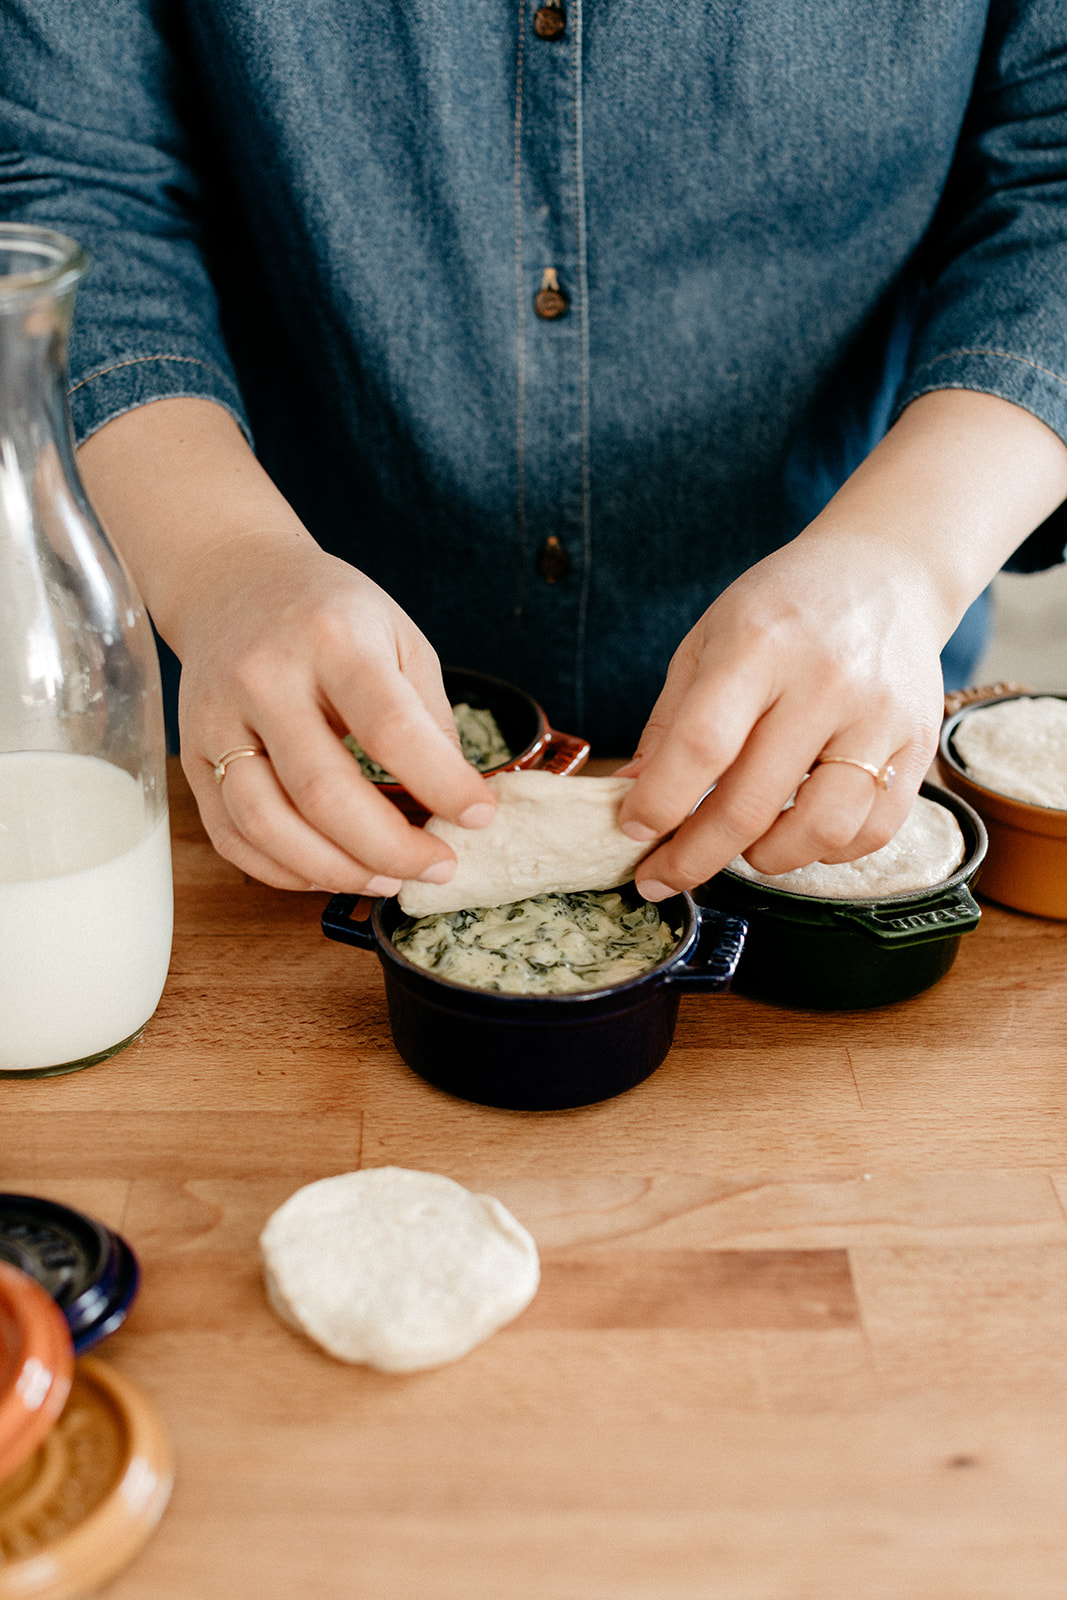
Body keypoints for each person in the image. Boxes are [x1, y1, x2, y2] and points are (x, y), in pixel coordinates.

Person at [2, 0, 1065, 904]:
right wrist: (222, 560)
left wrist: (906, 559)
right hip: (271, 740)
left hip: (842, 730)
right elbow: (69, 182)